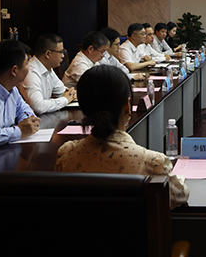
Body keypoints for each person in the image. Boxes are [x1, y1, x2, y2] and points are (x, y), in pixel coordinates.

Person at [55, 65, 189, 209]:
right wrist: (179, 181)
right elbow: (179, 196)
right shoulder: (153, 163)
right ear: (127, 106)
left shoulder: (66, 155)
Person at [20, 33, 76, 115]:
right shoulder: (31, 73)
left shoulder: (48, 69)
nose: (63, 56)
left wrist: (72, 93)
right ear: (48, 54)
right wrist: (65, 99)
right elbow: (38, 107)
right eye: (61, 52)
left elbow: (62, 91)